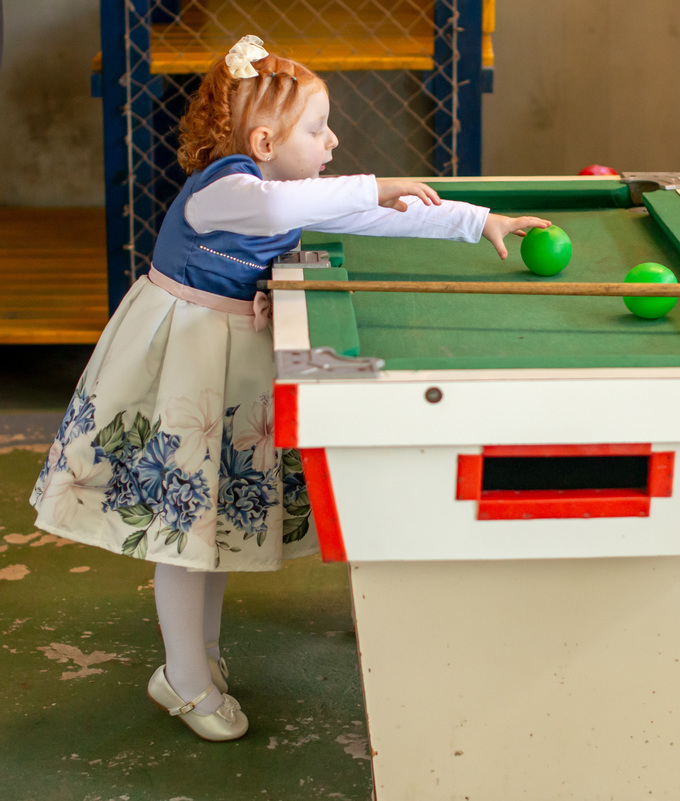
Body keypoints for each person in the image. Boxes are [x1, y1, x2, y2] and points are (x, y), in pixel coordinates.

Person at [28, 35, 550, 742]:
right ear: (265, 139)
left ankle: (198, 656)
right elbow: (287, 212)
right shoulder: (228, 189)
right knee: (184, 532)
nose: (333, 140)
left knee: (205, 523)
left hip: (223, 362)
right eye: (317, 129)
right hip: (183, 363)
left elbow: (368, 216)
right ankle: (182, 678)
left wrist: (474, 220)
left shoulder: (279, 190)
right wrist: (379, 181)